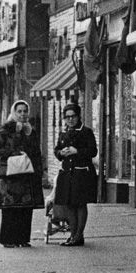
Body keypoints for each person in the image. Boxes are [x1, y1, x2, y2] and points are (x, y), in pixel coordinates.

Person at [0, 99, 44, 247]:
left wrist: (39, 170)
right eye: (19, 111)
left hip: (27, 173)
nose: (22, 114)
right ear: (14, 113)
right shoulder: (5, 130)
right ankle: (8, 239)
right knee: (10, 207)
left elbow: (36, 151)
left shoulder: (30, 131)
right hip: (10, 174)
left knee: (25, 208)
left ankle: (23, 239)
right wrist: (12, 153)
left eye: (25, 111)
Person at [53, 102, 98, 247]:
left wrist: (77, 151)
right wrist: (61, 153)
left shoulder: (86, 132)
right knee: (69, 205)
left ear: (78, 117)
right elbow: (57, 150)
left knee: (80, 204)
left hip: (81, 172)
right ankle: (73, 235)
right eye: (67, 117)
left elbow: (93, 151)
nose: (70, 120)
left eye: (73, 116)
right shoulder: (63, 133)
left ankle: (79, 236)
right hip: (67, 173)